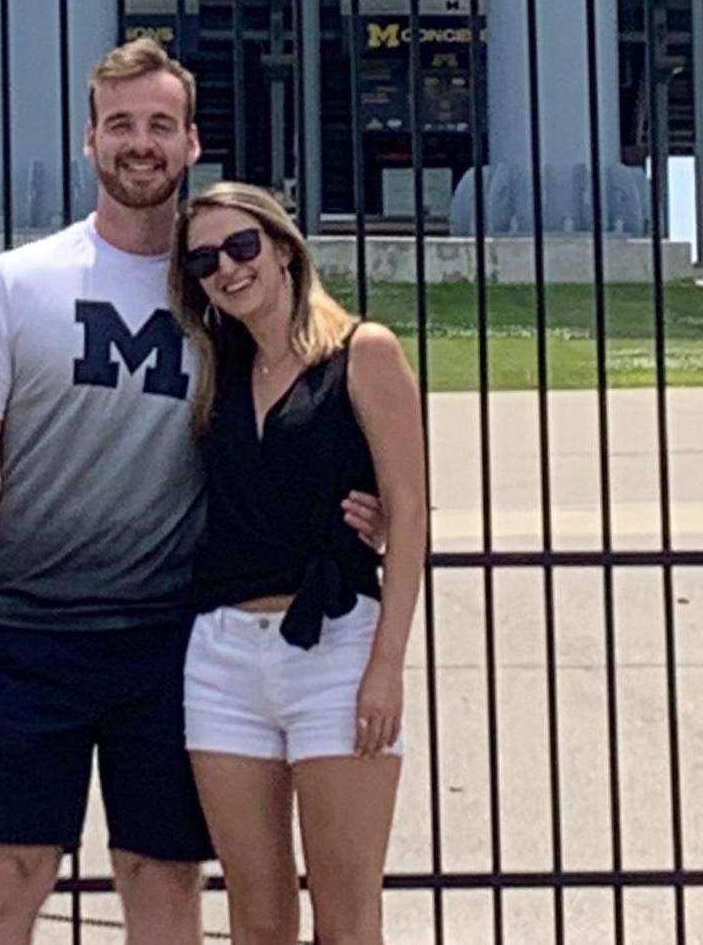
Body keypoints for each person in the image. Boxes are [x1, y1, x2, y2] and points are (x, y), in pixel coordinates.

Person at [0, 39, 380, 945]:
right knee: (6, 874)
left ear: (190, 142)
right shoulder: (16, 285)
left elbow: (302, 410)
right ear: (89, 140)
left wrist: (367, 504)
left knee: (163, 879)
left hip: (174, 635)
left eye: (160, 124)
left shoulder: (224, 290)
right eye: (121, 123)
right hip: (30, 628)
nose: (141, 142)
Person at [170, 182, 429, 945]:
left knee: (346, 918)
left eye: (242, 245)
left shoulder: (362, 352)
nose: (227, 266)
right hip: (221, 657)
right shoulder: (215, 368)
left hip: (336, 647)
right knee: (256, 919)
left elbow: (408, 511)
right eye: (205, 258)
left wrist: (386, 665)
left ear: (283, 248)